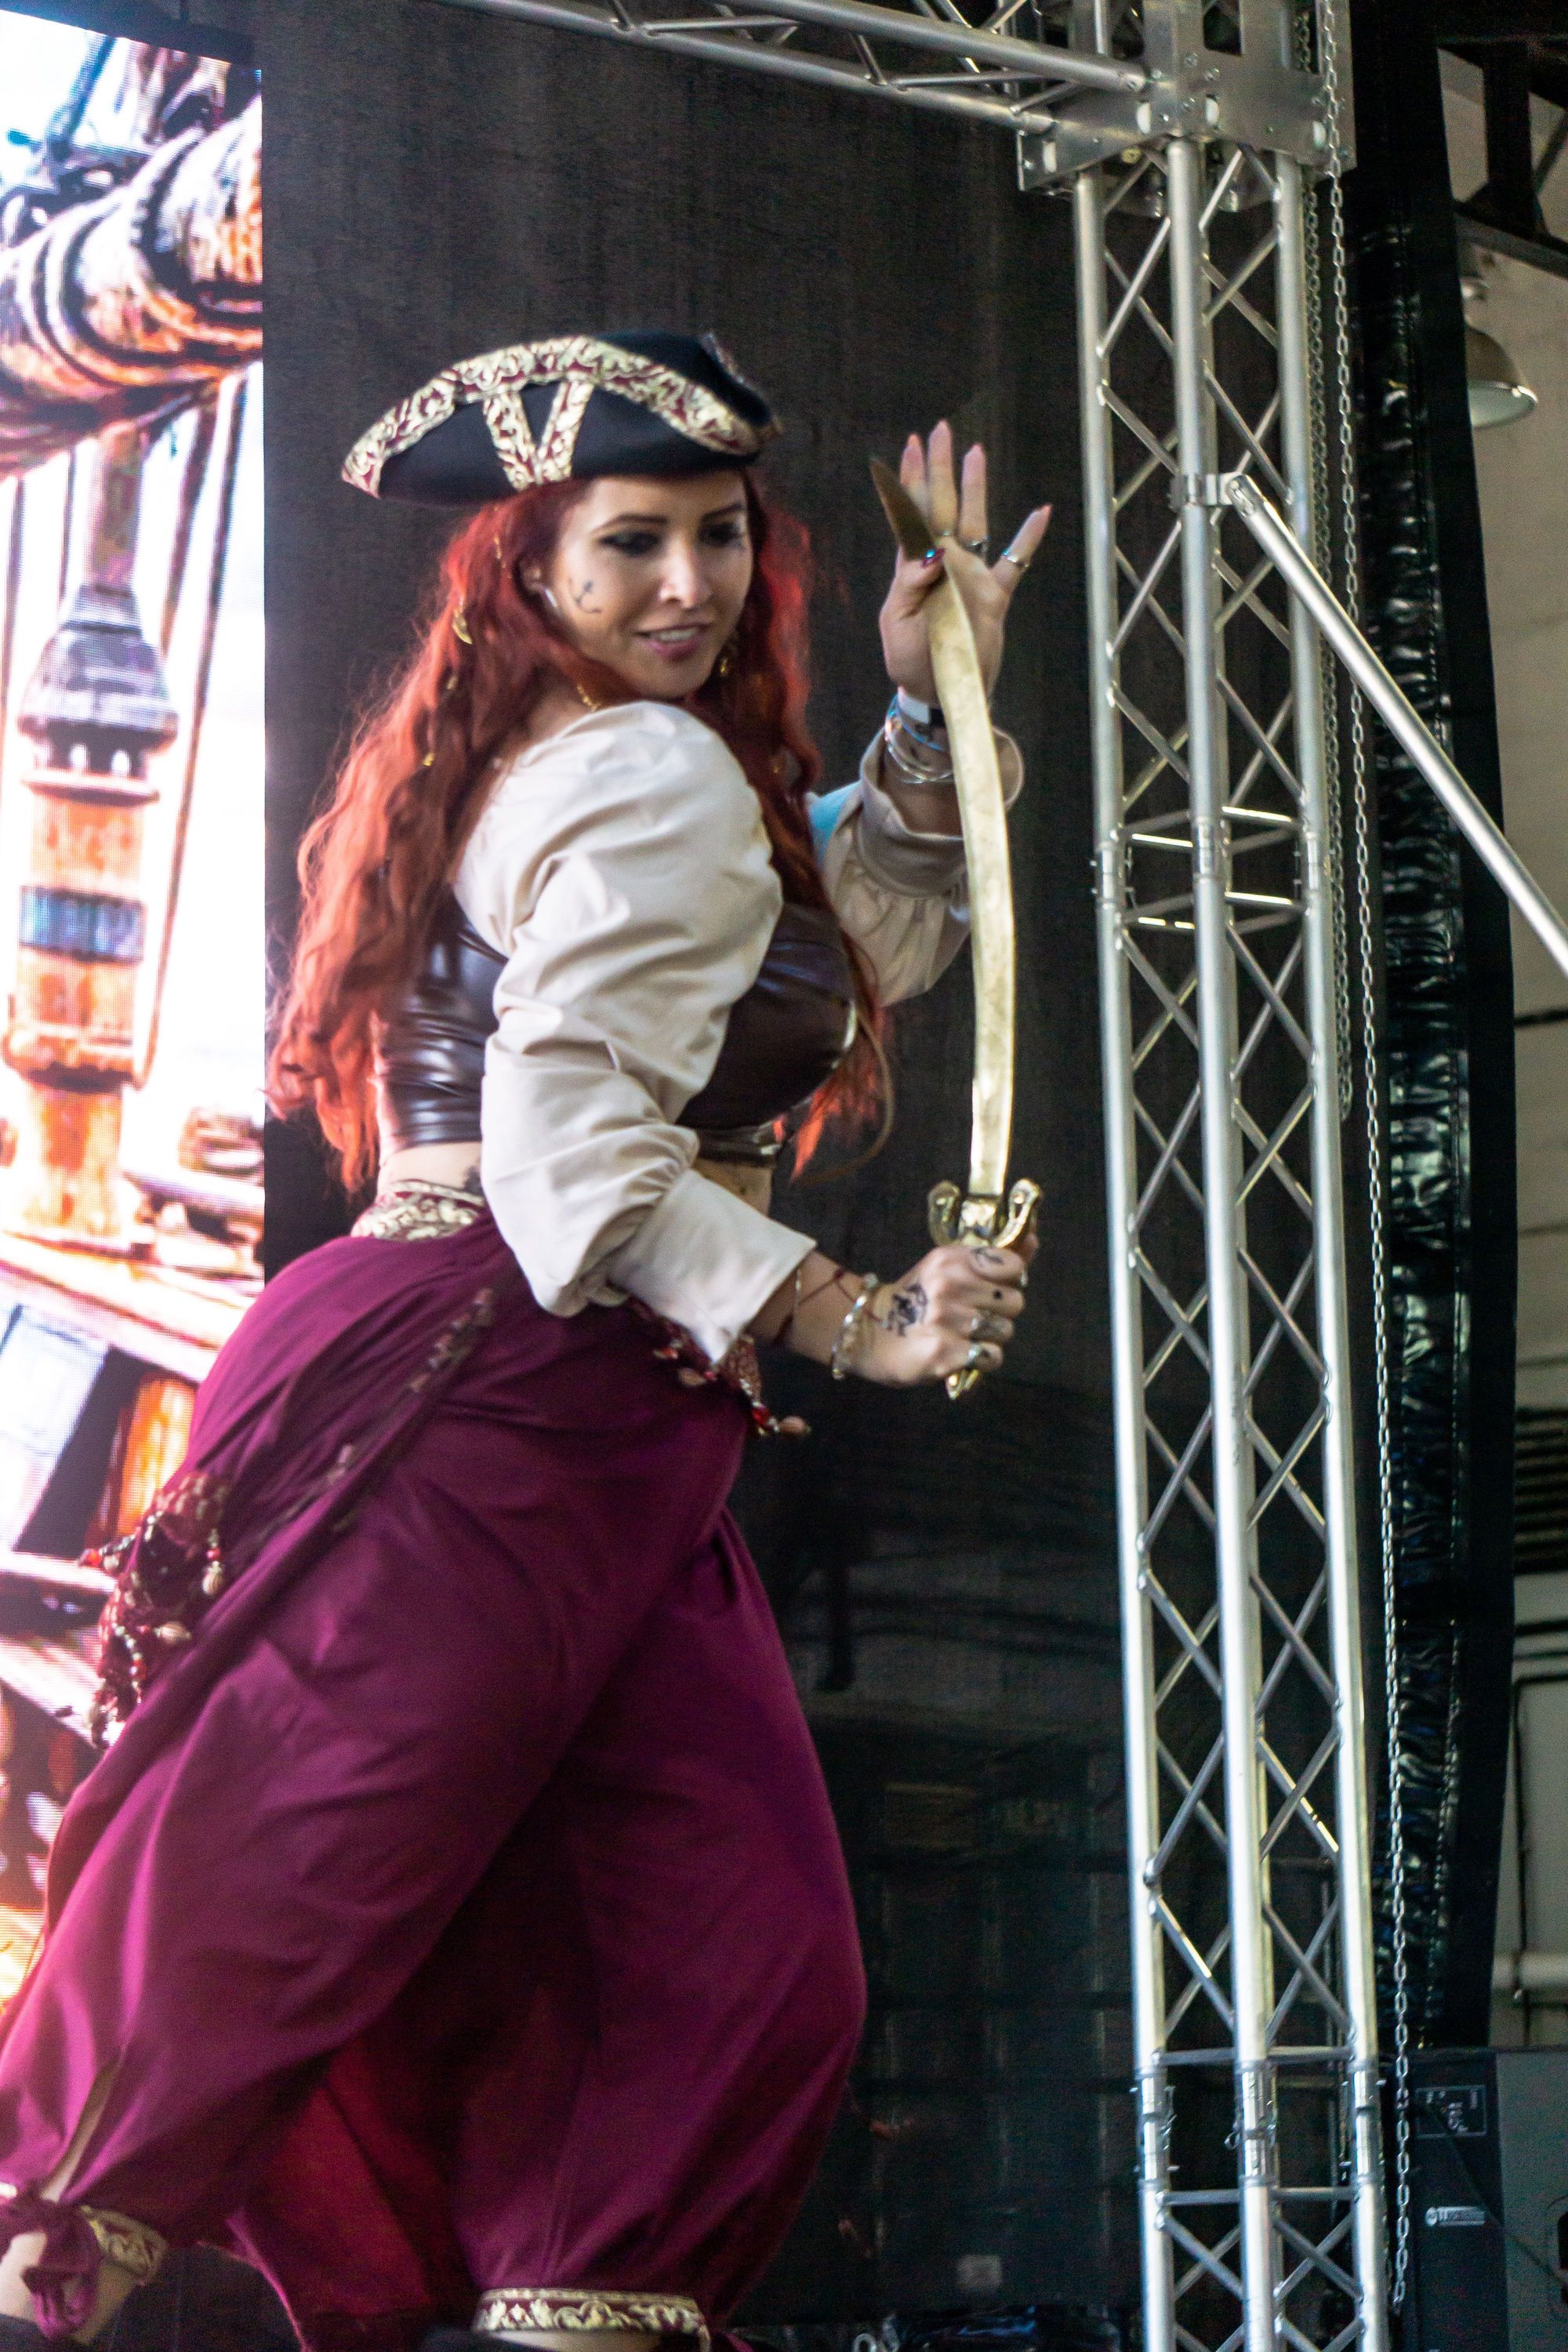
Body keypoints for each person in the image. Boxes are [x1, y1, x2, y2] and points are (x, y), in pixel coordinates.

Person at [0, 332, 1048, 2352]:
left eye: (721, 536)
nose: (691, 584)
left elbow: (831, 949)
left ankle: (548, 2305)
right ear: (535, 565)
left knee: (713, 1952)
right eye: (633, 541)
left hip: (569, 1392)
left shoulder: (612, 759)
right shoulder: (649, 772)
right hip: (498, 1382)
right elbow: (574, 1152)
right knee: (272, 1903)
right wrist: (858, 1316)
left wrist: (932, 712)